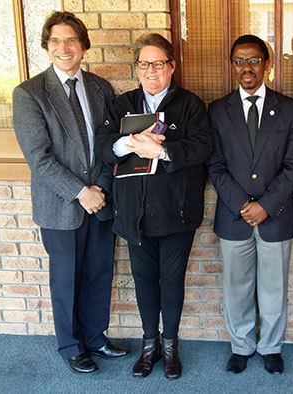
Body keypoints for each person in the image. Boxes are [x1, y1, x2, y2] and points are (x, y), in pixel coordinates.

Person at [12, 11, 128, 374]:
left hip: (101, 200)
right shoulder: (29, 94)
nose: (64, 48)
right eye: (56, 41)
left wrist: (102, 189)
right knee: (66, 277)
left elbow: (110, 144)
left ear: (83, 46)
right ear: (47, 47)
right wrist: (81, 192)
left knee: (98, 272)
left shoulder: (100, 88)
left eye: (71, 40)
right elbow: (39, 157)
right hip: (61, 205)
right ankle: (71, 345)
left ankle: (95, 337)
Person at [94, 33, 212, 380]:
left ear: (172, 66)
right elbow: (103, 147)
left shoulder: (190, 105)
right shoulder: (121, 105)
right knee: (144, 280)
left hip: (177, 212)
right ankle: (150, 346)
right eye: (144, 64)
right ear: (137, 68)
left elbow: (202, 147)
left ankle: (171, 345)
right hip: (134, 213)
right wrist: (127, 143)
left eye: (158, 63)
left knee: (172, 279)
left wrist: (161, 151)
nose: (151, 71)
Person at [207, 34, 293, 376]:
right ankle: (242, 345)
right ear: (232, 66)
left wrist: (264, 205)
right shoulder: (217, 110)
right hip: (233, 215)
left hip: (275, 215)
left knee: (275, 287)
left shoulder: (290, 109)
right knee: (237, 286)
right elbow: (214, 165)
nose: (247, 68)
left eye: (254, 60)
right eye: (240, 61)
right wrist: (242, 204)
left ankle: (272, 346)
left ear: (267, 63)